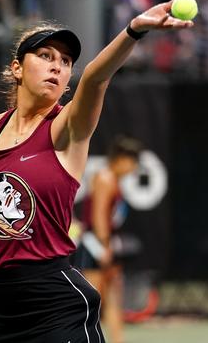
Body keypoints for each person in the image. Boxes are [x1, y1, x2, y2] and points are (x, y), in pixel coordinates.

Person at [0, 0, 192, 342]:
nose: (57, 66)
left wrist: (135, 29)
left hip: (55, 302)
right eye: (45, 56)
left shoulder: (66, 129)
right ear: (17, 68)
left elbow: (97, 79)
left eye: (66, 61)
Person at [71, 135, 144, 343]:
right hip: (96, 244)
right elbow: (99, 216)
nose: (133, 168)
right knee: (91, 300)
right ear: (121, 159)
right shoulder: (105, 178)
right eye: (133, 162)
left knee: (113, 299)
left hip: (107, 243)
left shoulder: (114, 180)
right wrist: (104, 247)